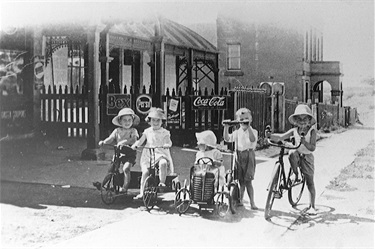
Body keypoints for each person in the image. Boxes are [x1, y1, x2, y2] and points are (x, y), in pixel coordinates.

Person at [267, 104, 317, 215]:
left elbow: (313, 147)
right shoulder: (294, 130)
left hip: (307, 156)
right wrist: (270, 136)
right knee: (291, 152)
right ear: (296, 121)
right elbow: (280, 137)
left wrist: (305, 142)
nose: (302, 122)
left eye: (305, 119)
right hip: (296, 153)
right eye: (299, 119)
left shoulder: (312, 132)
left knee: (310, 182)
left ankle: (312, 206)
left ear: (309, 120)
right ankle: (295, 174)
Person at [131, 107, 174, 199]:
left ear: (162, 121)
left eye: (158, 120)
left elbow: (169, 141)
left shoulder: (165, 132)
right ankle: (142, 192)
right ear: (149, 121)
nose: (155, 122)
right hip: (148, 154)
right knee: (145, 172)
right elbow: (140, 141)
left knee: (163, 163)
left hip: (160, 153)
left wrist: (167, 144)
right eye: (153, 120)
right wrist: (135, 145)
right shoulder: (147, 131)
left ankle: (162, 182)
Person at [223, 107, 258, 210]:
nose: (244, 121)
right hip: (239, 155)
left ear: (251, 119)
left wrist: (248, 127)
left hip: (249, 155)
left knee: (248, 181)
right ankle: (241, 200)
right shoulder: (237, 132)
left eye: (247, 118)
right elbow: (227, 139)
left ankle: (252, 202)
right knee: (241, 180)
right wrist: (226, 127)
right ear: (238, 121)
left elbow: (252, 139)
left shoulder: (253, 131)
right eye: (241, 119)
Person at [98, 108, 140, 194]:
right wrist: (104, 142)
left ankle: (125, 187)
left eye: (129, 120)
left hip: (129, 154)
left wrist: (125, 142)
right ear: (120, 122)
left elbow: (134, 140)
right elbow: (111, 138)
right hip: (118, 153)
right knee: (112, 169)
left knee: (126, 168)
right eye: (124, 120)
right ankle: (103, 185)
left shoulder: (133, 131)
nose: (127, 122)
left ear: (132, 121)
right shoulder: (117, 131)